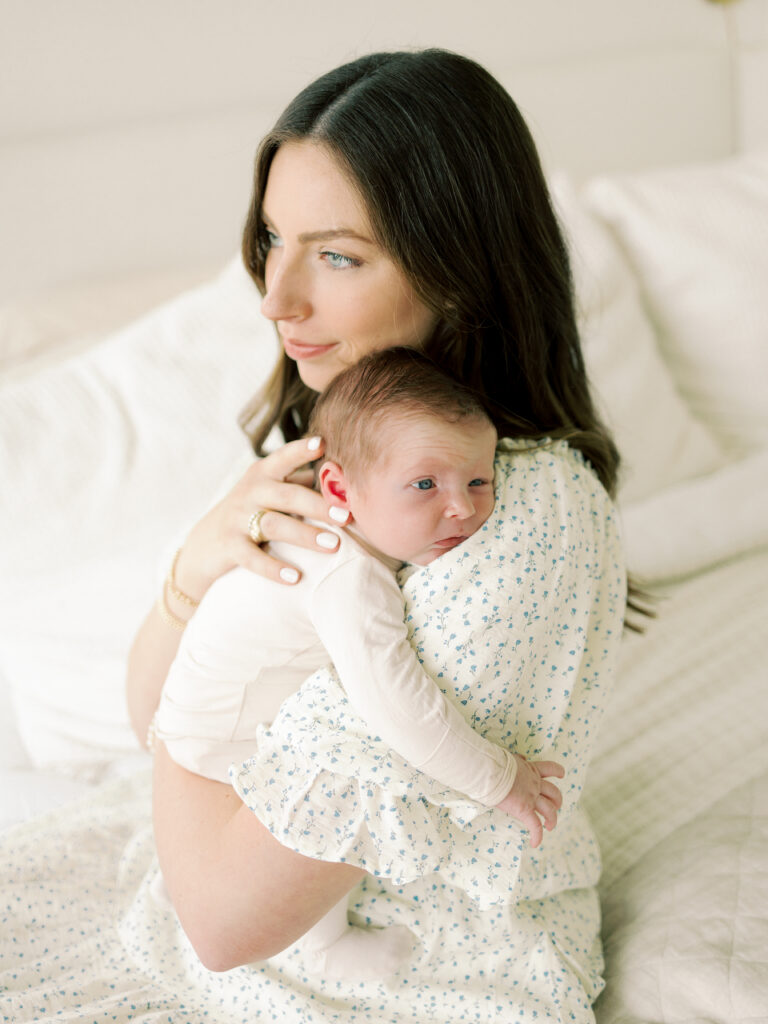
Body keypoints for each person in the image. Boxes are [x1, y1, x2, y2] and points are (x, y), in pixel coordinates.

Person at [1, 49, 626, 1023]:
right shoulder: (335, 453)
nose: (275, 298)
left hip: (428, 966)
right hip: (271, 912)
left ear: (459, 271)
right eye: (272, 240)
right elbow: (152, 724)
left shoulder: (510, 520)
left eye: (336, 254)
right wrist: (195, 568)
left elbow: (219, 916)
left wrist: (204, 692)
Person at [152, 347, 566, 980]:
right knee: (314, 816)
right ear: (341, 489)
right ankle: (320, 949)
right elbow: (401, 708)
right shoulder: (349, 576)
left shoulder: (355, 546)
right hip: (219, 740)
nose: (461, 507)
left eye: (478, 481)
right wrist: (500, 780)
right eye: (425, 484)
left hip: (203, 711)